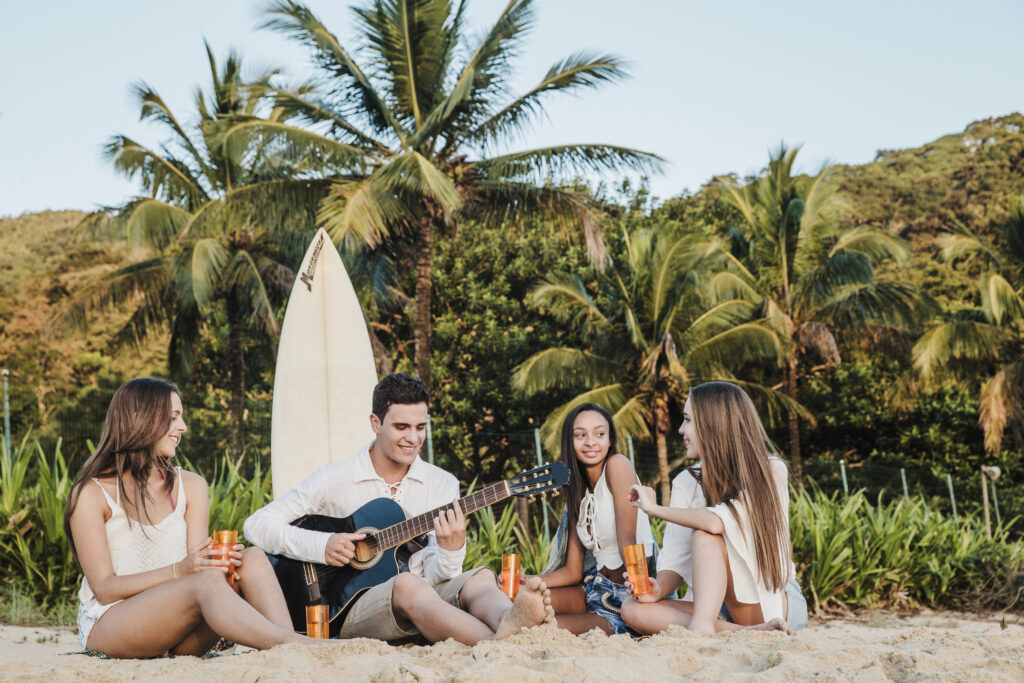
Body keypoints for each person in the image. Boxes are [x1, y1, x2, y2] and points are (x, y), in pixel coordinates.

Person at [243, 373, 555, 645]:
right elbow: (257, 525)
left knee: (480, 577)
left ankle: (508, 620)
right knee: (407, 585)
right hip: (344, 607)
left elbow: (441, 577)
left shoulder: (442, 484)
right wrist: (320, 545)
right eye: (401, 426)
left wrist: (450, 549)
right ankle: (496, 643)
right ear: (375, 423)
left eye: (420, 427)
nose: (413, 438)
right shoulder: (335, 479)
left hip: (422, 601)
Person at [65, 377, 315, 657]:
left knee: (252, 559)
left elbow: (199, 569)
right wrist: (179, 571)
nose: (182, 427)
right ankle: (291, 642)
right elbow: (104, 589)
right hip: (112, 623)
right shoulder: (90, 494)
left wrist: (220, 563)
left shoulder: (191, 486)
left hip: (178, 623)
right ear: (141, 419)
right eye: (173, 418)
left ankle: (292, 651)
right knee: (205, 582)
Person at [622, 381, 807, 634]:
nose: (680, 429)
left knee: (705, 536)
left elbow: (716, 521)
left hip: (771, 601)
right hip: (715, 609)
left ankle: (704, 628)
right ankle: (744, 633)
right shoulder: (685, 482)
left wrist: (653, 509)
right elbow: (674, 562)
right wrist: (657, 590)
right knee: (631, 609)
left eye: (687, 420)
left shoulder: (770, 470)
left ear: (714, 424)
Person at [534, 403, 655, 635]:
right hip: (591, 589)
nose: (590, 442)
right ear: (570, 442)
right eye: (580, 435)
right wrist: (527, 579)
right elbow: (572, 571)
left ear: (610, 440)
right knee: (526, 603)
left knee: (544, 629)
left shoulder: (617, 465)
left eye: (599, 434)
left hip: (623, 599)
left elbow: (628, 542)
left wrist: (642, 597)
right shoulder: (577, 493)